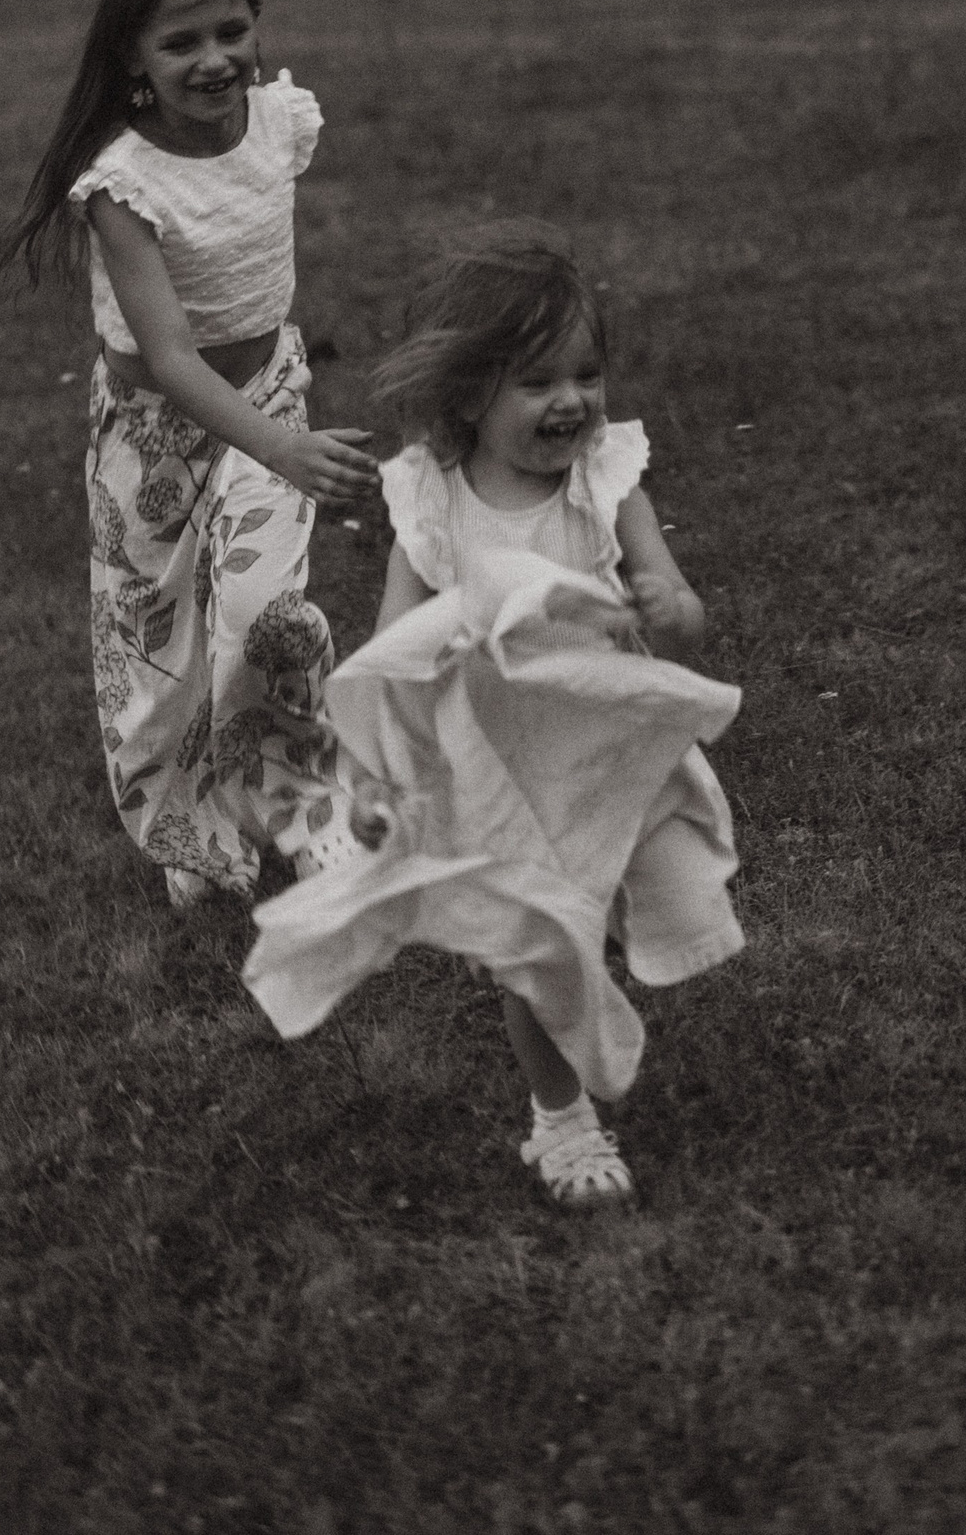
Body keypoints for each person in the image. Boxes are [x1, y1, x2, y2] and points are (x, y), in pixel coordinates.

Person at [242, 226, 744, 1208]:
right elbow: (395, 649)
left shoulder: (606, 481)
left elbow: (678, 606)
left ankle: (607, 956)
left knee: (635, 901)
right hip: (497, 768)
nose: (573, 402)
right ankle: (560, 1119)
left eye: (587, 375)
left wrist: (668, 606)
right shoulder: (433, 504)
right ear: (470, 394)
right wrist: (378, 777)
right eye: (539, 382)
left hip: (606, 750)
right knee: (540, 944)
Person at [0, 0, 378, 912]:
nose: (214, 60)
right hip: (154, 438)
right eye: (181, 42)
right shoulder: (121, 182)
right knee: (159, 655)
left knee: (266, 621)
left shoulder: (280, 121)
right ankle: (193, 827)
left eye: (231, 31)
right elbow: (168, 357)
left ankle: (307, 810)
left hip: (267, 401)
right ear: (134, 55)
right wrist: (287, 450)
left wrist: (277, 438)